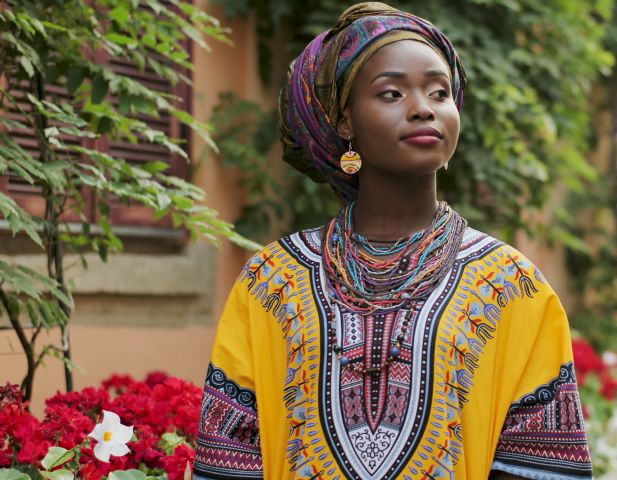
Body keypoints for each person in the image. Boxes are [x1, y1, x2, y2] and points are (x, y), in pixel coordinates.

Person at [192, 3, 592, 480]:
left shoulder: (513, 287)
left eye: (439, 92)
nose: (423, 107)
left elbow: (540, 466)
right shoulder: (269, 282)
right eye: (392, 92)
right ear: (345, 123)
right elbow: (228, 460)